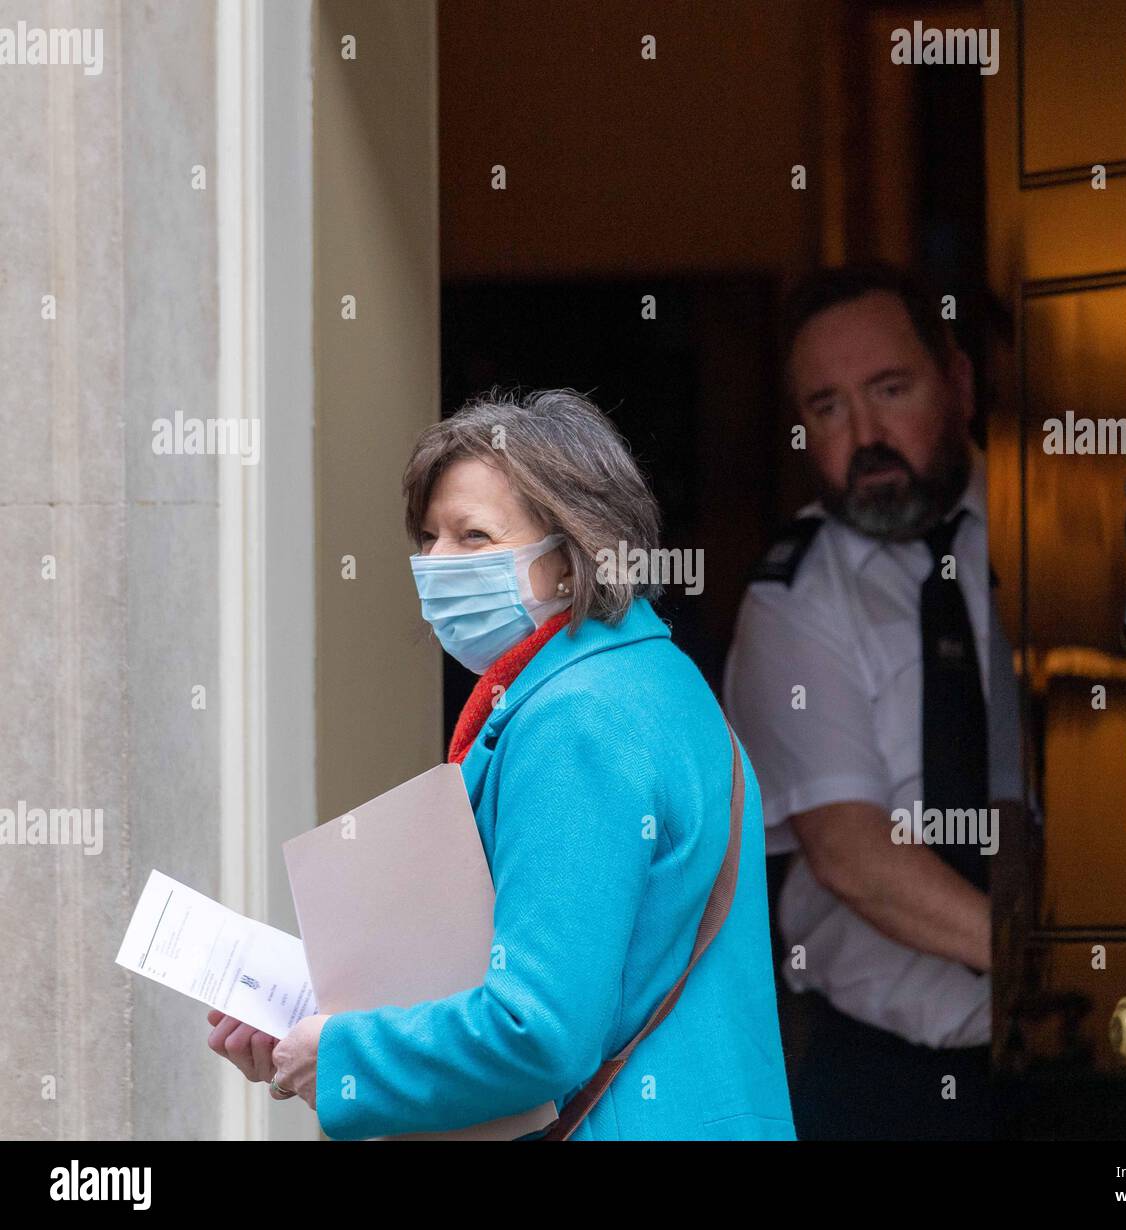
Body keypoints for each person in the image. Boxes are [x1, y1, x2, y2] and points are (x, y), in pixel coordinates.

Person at [208, 387, 796, 1141]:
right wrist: (320, 1021)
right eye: (427, 537)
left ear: (570, 555)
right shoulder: (657, 679)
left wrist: (346, 1054)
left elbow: (539, 1028)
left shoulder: (577, 717)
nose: (435, 564)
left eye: (473, 537)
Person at [723, 263, 1021, 1140]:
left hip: (1095, 1054)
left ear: (958, 382)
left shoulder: (1060, 532)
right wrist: (1047, 970)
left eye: (890, 389)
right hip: (887, 1081)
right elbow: (853, 856)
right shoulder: (791, 600)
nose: (865, 435)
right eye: (827, 408)